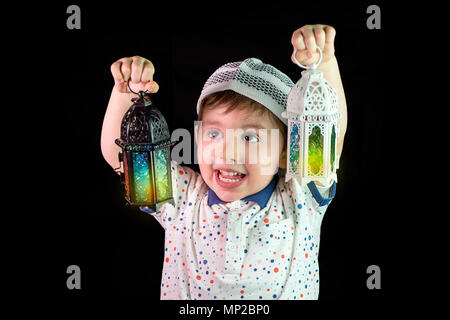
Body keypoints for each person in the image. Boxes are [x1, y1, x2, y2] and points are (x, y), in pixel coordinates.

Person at [101, 24, 347, 300]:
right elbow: (122, 158)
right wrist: (125, 95)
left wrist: (323, 63)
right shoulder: (183, 198)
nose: (227, 153)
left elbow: (329, 140)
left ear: (287, 151)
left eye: (250, 138)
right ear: (197, 138)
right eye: (214, 133)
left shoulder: (299, 200)